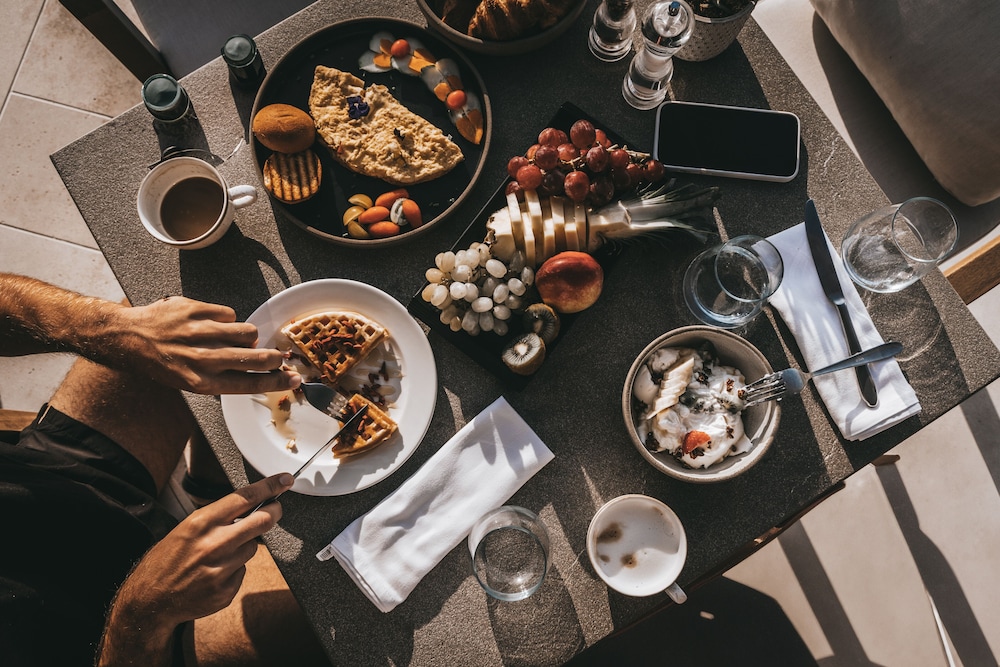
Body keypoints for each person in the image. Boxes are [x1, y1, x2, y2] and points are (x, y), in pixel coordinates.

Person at [0, 273, 330, 666]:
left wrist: (110, 330)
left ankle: (207, 489)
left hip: (56, 472)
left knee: (193, 304)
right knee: (336, 590)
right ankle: (212, 493)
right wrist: (142, 613)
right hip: (127, 637)